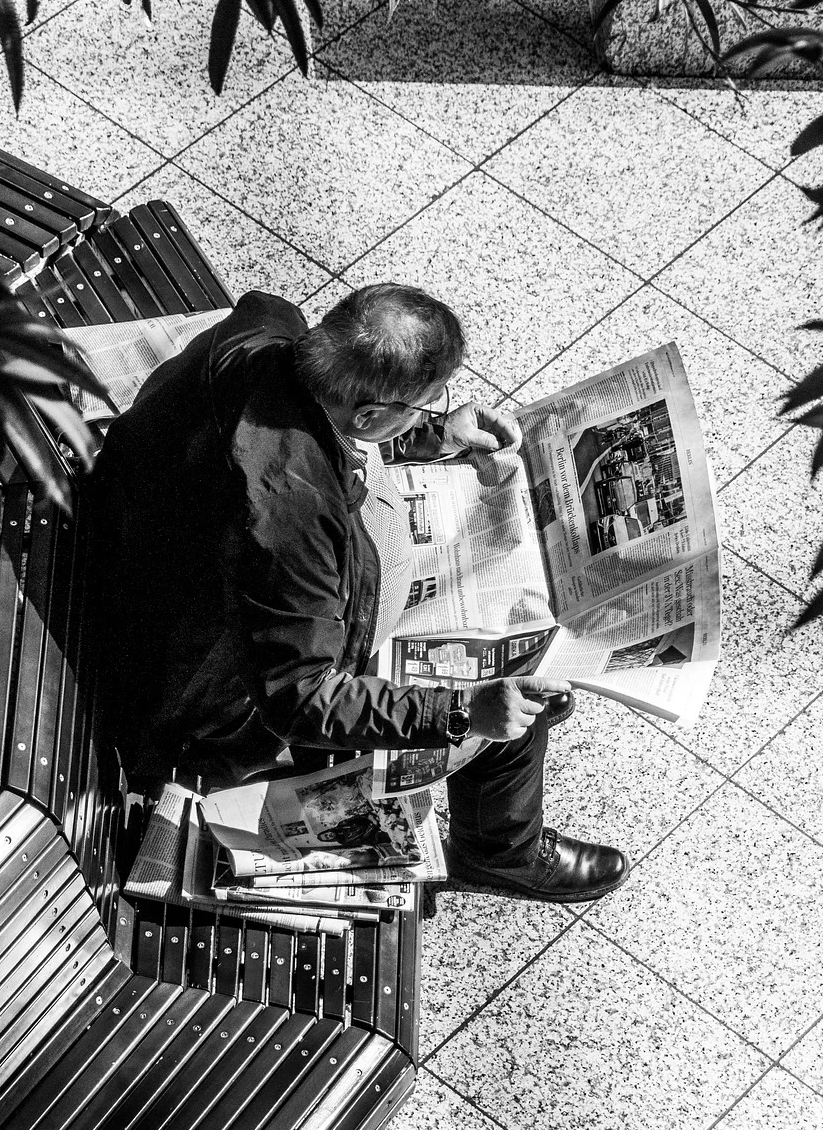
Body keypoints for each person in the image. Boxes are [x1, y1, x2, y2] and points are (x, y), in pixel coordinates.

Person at [91, 284, 630, 903]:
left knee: (522, 674)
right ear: (370, 415)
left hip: (160, 564)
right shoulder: (289, 517)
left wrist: (427, 437)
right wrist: (459, 713)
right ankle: (502, 855)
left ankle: (501, 810)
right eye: (424, 404)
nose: (431, 411)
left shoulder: (265, 331)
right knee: (514, 699)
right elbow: (300, 699)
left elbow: (321, 428)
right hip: (205, 704)